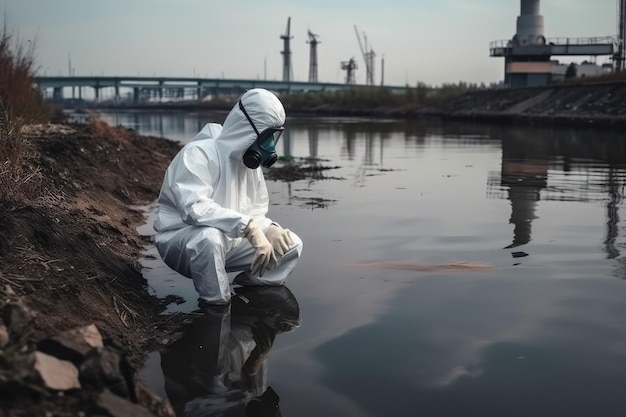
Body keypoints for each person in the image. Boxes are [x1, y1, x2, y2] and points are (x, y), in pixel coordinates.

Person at [153, 88, 303, 305]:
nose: (270, 145)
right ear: (248, 129)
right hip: (183, 240)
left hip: (229, 238)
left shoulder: (248, 164)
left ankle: (252, 284)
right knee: (209, 238)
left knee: (292, 244)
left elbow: (256, 212)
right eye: (266, 135)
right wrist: (250, 228)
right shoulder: (198, 153)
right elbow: (194, 209)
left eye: (274, 135)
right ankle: (217, 305)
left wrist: (269, 229)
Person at [160, 285, 301, 416]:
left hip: (203, 394)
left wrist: (255, 362)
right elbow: (214, 385)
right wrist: (254, 364)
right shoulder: (228, 340)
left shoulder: (241, 342)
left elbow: (216, 388)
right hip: (202, 386)